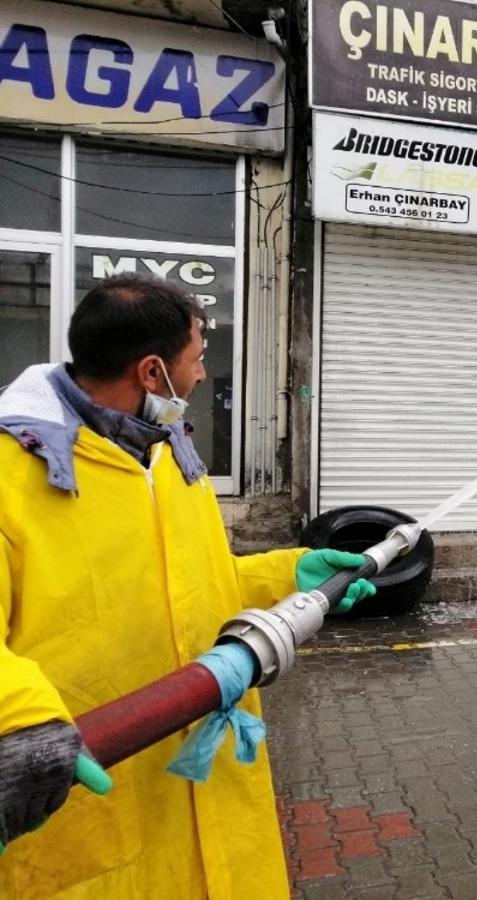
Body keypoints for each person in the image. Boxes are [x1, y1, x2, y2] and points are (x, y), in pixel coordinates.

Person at [0, 274, 374, 898]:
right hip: (94, 802)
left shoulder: (170, 456)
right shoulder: (14, 474)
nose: (202, 376)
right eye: (197, 360)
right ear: (152, 373)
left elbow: (192, 584)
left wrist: (286, 574)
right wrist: (25, 722)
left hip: (207, 792)